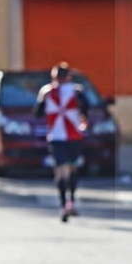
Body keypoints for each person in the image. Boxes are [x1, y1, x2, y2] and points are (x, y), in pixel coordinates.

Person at [33, 63, 90, 223]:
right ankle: (71, 200)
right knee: (72, 168)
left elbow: (37, 113)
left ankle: (64, 204)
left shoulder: (47, 91)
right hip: (74, 135)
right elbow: (86, 108)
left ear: (54, 77)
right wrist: (83, 119)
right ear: (69, 77)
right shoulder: (76, 90)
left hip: (56, 136)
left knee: (60, 170)